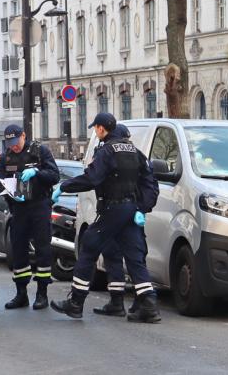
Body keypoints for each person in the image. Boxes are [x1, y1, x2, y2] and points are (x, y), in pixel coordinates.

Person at [50, 113, 161, 323]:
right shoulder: (136, 153)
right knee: (135, 257)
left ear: (102, 129)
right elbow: (151, 184)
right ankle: (149, 305)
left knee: (89, 247)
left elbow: (92, 178)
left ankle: (75, 302)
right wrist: (142, 208)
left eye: (95, 128)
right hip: (131, 210)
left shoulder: (106, 152)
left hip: (113, 209)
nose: (94, 131)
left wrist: (64, 187)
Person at [91, 124, 159, 319]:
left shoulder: (133, 157)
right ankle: (117, 301)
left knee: (134, 257)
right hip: (118, 212)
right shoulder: (117, 154)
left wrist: (142, 208)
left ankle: (144, 303)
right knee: (114, 256)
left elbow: (150, 186)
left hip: (124, 212)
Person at [0, 125, 60, 310]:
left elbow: (54, 175)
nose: (14, 147)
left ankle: (42, 294)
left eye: (16, 142)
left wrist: (37, 172)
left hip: (39, 205)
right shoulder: (5, 157)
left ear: (23, 136)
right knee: (18, 249)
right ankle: (21, 293)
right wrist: (10, 194)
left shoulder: (39, 151)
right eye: (10, 144)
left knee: (42, 248)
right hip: (19, 207)